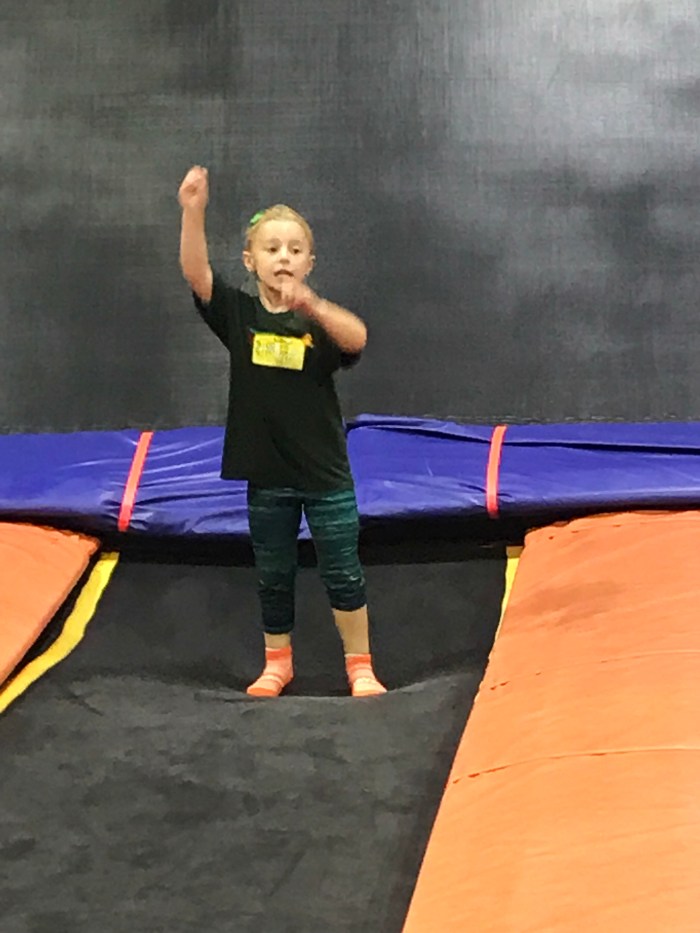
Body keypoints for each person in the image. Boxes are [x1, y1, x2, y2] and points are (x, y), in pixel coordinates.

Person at [177, 165, 386, 698]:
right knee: (274, 573)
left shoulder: (318, 320)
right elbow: (197, 274)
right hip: (267, 474)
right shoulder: (239, 313)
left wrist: (311, 304)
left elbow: (358, 338)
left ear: (309, 262)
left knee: (342, 571)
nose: (284, 258)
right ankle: (278, 663)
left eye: (295, 249)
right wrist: (193, 211)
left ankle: (360, 666)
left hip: (324, 474)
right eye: (272, 249)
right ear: (251, 260)